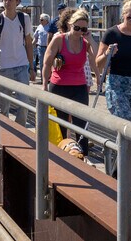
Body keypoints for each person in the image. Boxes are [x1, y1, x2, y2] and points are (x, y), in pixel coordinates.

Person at [42, 9, 100, 155]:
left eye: (84, 29)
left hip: (79, 87)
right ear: (70, 24)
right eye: (77, 28)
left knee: (81, 124)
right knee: (60, 124)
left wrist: (98, 78)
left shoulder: (85, 42)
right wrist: (44, 85)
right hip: (59, 86)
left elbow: (94, 60)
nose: (80, 31)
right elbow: (47, 62)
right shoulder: (59, 40)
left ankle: (83, 155)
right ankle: (60, 154)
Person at [0, 0, 35, 127]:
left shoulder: (24, 18)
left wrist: (31, 67)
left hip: (21, 65)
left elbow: (28, 43)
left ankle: (19, 129)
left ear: (17, 1)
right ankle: (5, 131)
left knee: (24, 103)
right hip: (3, 67)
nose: (7, 2)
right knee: (3, 106)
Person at [32, 13, 50, 83]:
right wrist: (31, 45)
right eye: (40, 19)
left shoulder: (50, 27)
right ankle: (43, 79)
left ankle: (48, 78)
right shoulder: (39, 27)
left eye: (41, 19)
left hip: (47, 48)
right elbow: (35, 38)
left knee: (47, 63)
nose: (40, 21)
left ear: (46, 20)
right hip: (40, 47)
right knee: (41, 63)